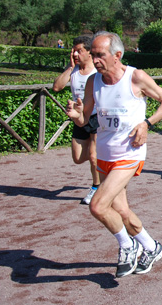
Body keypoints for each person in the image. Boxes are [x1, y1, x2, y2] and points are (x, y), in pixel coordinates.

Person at [65, 31, 162, 278]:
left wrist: (147, 124)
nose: (95, 60)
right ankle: (151, 246)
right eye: (93, 55)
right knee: (122, 212)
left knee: (97, 205)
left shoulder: (135, 77)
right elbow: (86, 118)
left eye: (100, 55)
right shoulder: (95, 81)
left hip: (129, 152)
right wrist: (77, 117)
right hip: (105, 153)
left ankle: (128, 246)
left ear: (117, 55)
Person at [52, 35, 100, 205]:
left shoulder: (97, 70)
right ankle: (105, 160)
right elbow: (57, 87)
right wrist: (70, 68)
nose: (76, 54)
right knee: (78, 158)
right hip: (79, 118)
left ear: (89, 52)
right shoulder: (73, 69)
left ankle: (96, 187)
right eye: (74, 51)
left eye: (79, 51)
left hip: (96, 117)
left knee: (94, 156)